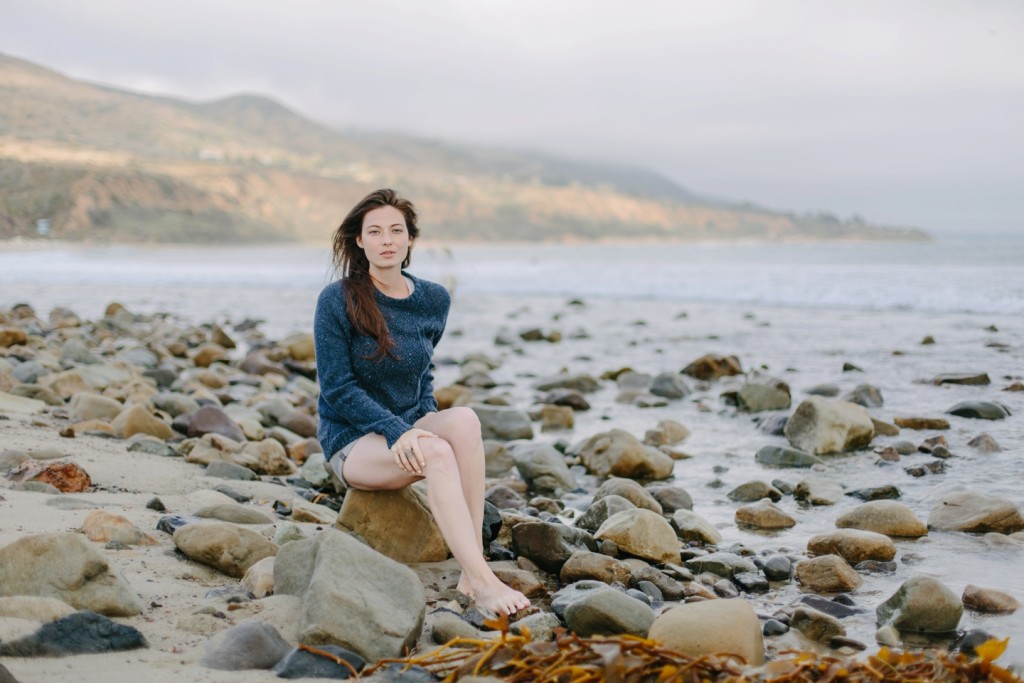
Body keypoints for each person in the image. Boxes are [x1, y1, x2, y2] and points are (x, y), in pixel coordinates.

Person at [313, 188, 530, 616]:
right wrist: (400, 430)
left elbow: (422, 370)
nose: (386, 239)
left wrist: (425, 414)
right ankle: (485, 585)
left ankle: (472, 569)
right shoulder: (337, 300)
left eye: (396, 230)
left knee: (464, 420)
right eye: (374, 231)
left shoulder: (433, 299)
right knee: (434, 450)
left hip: (406, 426)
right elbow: (337, 388)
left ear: (411, 239)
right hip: (352, 440)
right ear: (360, 241)